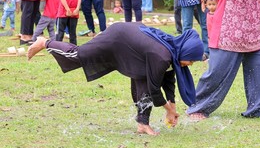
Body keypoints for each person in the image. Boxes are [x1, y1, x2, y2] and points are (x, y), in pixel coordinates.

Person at [27, 22, 204, 135]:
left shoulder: (172, 51)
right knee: (80, 56)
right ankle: (45, 42)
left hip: (133, 45)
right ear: (185, 52)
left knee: (143, 76)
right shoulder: (162, 56)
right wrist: (168, 110)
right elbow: (155, 89)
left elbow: (168, 78)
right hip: (117, 37)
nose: (190, 64)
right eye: (190, 60)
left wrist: (172, 105)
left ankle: (142, 123)